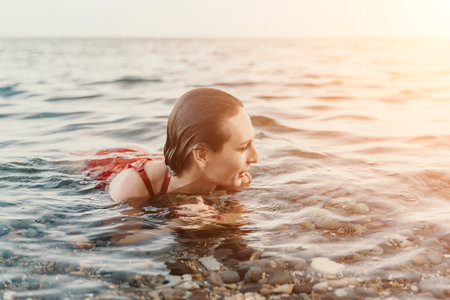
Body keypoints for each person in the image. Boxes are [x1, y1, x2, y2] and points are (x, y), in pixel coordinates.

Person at [81, 88, 258, 244]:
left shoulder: (229, 175)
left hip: (169, 160)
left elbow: (245, 218)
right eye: (243, 147)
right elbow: (119, 240)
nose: (255, 157)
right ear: (203, 155)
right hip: (107, 165)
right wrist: (177, 224)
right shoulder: (133, 187)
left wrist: (214, 218)